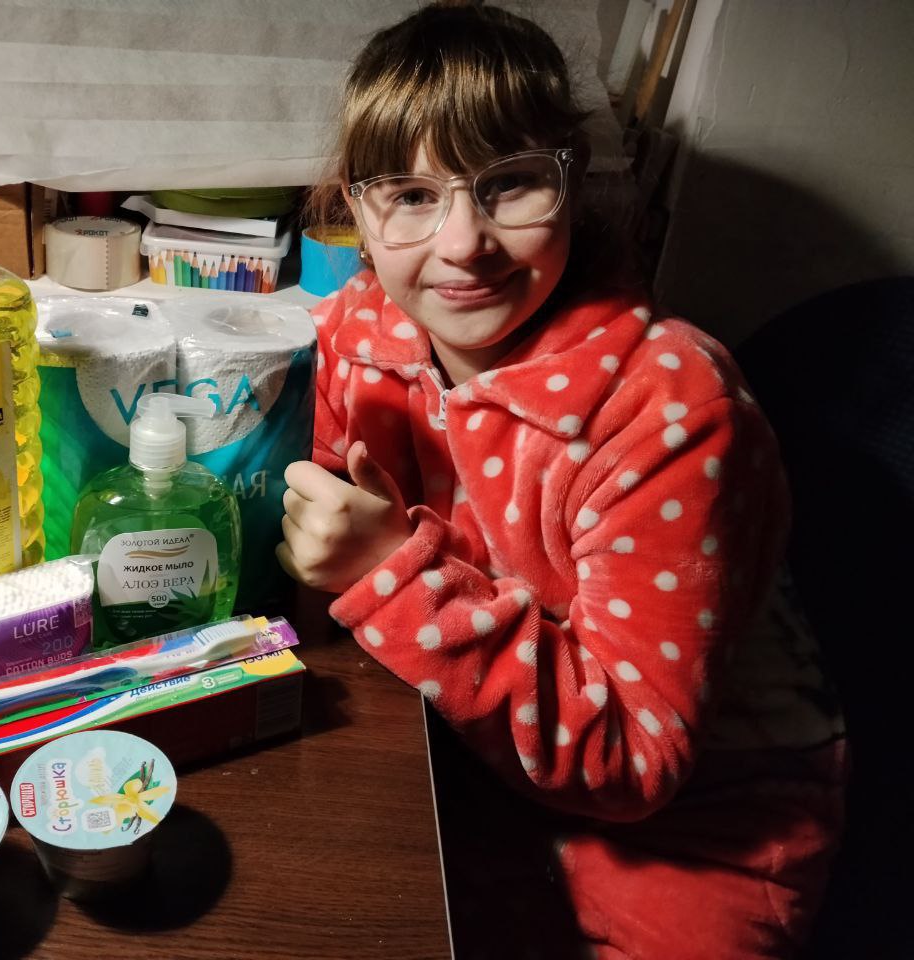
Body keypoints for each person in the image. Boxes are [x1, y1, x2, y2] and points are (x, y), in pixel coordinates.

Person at [276, 3, 846, 957]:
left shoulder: (672, 412)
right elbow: (321, 532)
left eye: (509, 184)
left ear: (573, 182)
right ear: (358, 208)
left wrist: (389, 572)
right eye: (410, 194)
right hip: (464, 769)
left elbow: (634, 762)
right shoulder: (360, 332)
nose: (462, 243)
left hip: (694, 837)